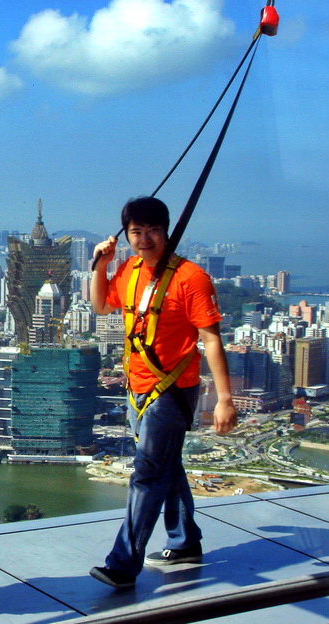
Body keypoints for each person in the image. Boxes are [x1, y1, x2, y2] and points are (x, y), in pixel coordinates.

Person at [88, 196, 237, 589]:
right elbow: (101, 305)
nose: (144, 239)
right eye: (136, 231)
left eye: (152, 230)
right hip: (136, 385)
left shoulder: (191, 278)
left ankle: (123, 563)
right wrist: (101, 264)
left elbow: (212, 341)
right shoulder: (130, 270)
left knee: (147, 474)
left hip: (172, 390)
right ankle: (185, 540)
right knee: (165, 466)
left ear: (166, 230)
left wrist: (224, 399)